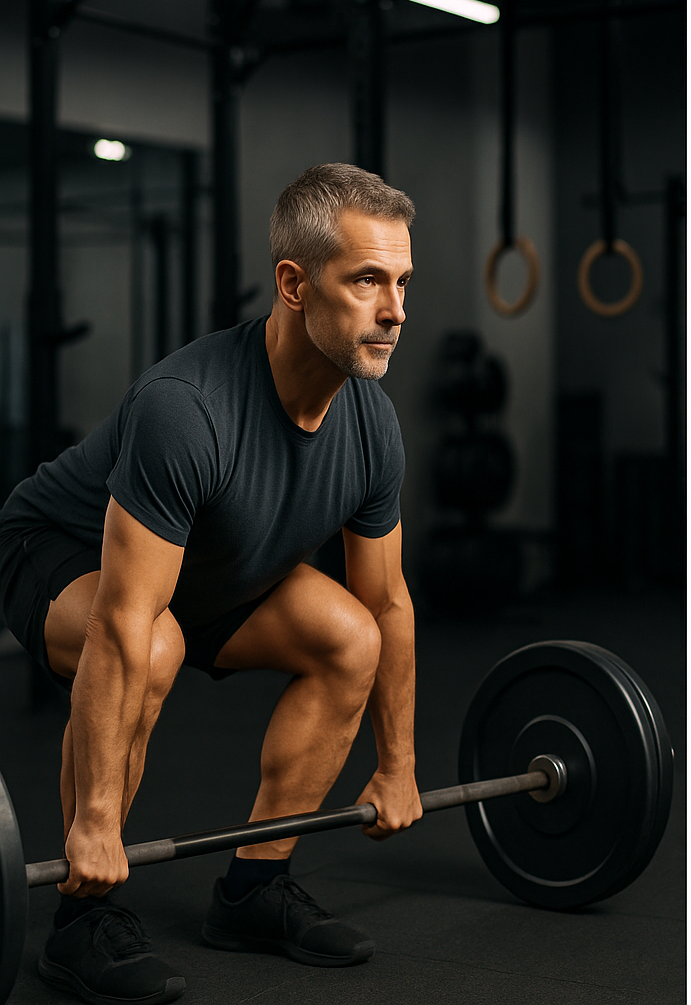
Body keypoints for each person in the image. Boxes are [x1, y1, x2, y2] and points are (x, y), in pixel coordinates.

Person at [0, 162, 425, 1005]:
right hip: (58, 553)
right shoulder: (187, 408)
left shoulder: (370, 422)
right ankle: (84, 921)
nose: (395, 310)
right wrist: (91, 826)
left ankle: (253, 892)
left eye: (403, 281)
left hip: (209, 568)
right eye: (368, 280)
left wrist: (399, 764)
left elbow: (387, 601)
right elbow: (124, 619)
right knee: (152, 642)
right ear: (294, 285)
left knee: (352, 639)